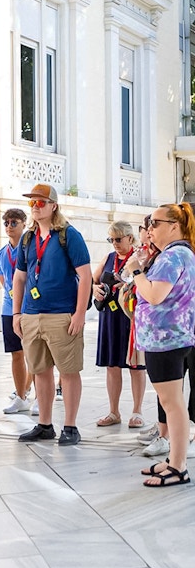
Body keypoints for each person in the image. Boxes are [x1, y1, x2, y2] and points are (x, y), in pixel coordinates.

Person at [13, 184, 92, 446]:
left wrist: (80, 313)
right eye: (32, 203)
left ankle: (70, 426)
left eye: (40, 202)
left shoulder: (69, 235)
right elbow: (20, 277)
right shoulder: (27, 238)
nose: (35, 207)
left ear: (53, 206)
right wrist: (16, 313)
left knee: (68, 371)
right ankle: (44, 424)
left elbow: (85, 276)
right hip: (32, 315)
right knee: (40, 371)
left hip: (62, 314)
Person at [125, 202, 195, 487]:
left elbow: (155, 295)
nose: (149, 229)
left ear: (174, 226)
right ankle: (174, 460)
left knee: (173, 404)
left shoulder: (172, 256)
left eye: (155, 223)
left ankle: (179, 466)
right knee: (172, 402)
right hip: (170, 338)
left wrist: (136, 271)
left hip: (165, 340)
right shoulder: (181, 254)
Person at [93, 221, 146, 428]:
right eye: (111, 239)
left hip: (131, 316)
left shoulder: (139, 258)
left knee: (136, 365)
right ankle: (113, 411)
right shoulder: (109, 257)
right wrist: (95, 289)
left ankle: (137, 411)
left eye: (118, 239)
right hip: (110, 316)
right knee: (112, 365)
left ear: (130, 238)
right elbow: (93, 279)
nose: (114, 243)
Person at [0, 208, 34, 414]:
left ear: (24, 223)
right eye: (7, 223)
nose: (9, 226)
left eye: (14, 222)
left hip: (31, 308)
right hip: (9, 309)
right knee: (16, 354)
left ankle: (38, 396)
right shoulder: (1, 253)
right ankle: (21, 396)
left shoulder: (31, 248)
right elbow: (5, 283)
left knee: (34, 355)